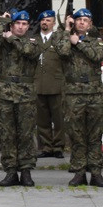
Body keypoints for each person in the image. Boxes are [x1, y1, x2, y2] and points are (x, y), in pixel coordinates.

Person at [0, 11, 44, 186]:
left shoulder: (34, 42)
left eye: (24, 24)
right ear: (12, 25)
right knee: (7, 135)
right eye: (17, 23)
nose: (20, 26)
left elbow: (28, 51)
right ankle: (10, 171)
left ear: (28, 27)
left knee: (26, 134)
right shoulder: (2, 43)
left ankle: (26, 171)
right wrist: (2, 22)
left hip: (25, 95)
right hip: (4, 94)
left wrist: (12, 38)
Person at [57, 10, 103, 187]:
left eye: (85, 20)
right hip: (73, 94)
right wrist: (67, 32)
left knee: (94, 134)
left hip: (94, 94)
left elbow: (97, 55)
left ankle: (96, 172)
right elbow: (62, 52)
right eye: (79, 20)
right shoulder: (66, 39)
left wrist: (80, 42)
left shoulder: (96, 42)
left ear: (90, 24)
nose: (82, 23)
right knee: (76, 135)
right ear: (73, 22)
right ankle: (79, 172)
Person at [33, 10, 65, 159]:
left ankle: (58, 147)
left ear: (54, 23)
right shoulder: (33, 40)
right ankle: (46, 146)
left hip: (56, 84)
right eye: (43, 20)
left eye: (48, 20)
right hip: (38, 84)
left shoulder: (58, 39)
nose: (45, 22)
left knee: (58, 119)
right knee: (42, 119)